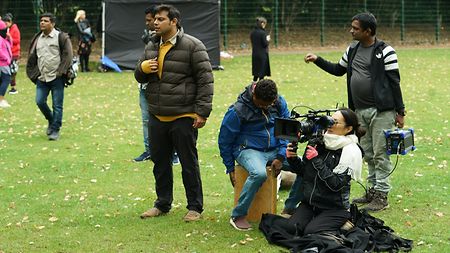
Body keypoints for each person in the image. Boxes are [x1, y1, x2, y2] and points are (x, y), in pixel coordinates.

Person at [303, 12, 406, 211]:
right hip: (359, 111)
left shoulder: (386, 51)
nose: (351, 31)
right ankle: (372, 191)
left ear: (368, 31)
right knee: (367, 152)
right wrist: (317, 59)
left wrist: (400, 112)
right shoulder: (352, 50)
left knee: (381, 153)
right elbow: (337, 70)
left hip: (382, 111)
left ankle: (382, 195)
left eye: (356, 28)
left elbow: (395, 82)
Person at [135, 4, 214, 222]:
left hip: (183, 116)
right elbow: (138, 75)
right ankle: (162, 204)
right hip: (157, 115)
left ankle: (195, 207)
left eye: (160, 19)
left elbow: (205, 81)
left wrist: (202, 112)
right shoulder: (151, 45)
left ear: (174, 22)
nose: (155, 23)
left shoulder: (193, 46)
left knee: (188, 164)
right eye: (155, 20)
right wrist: (142, 68)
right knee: (160, 163)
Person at [270, 108, 365, 237]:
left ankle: (345, 222)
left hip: (334, 208)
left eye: (335, 122)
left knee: (312, 233)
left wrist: (317, 160)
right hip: (311, 203)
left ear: (348, 129)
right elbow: (304, 172)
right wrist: (292, 159)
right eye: (330, 120)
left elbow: (336, 184)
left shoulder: (351, 152)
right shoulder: (318, 141)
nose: (329, 125)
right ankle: (316, 219)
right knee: (292, 229)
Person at [218, 79, 290, 231]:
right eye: (262, 104)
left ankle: (289, 209)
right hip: (248, 149)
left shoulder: (278, 101)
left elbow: (286, 130)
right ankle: (238, 215)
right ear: (254, 96)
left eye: (269, 104)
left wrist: (281, 156)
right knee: (258, 173)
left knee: (306, 165)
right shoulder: (237, 110)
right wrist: (230, 167)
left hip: (275, 149)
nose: (266, 107)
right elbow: (225, 140)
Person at [133, 6, 180, 165]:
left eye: (154, 20)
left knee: (169, 122)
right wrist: (142, 68)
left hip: (165, 91)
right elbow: (140, 66)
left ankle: (173, 153)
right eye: (149, 21)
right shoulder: (149, 38)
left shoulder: (171, 40)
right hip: (146, 87)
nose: (150, 24)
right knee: (147, 121)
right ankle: (150, 151)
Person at [26, 13, 73, 140]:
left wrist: (61, 72)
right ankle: (51, 120)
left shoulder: (61, 37)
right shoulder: (37, 38)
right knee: (39, 101)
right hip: (42, 78)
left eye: (45, 21)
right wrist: (33, 74)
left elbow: (68, 55)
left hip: (57, 77)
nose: (42, 23)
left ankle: (55, 130)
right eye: (41, 20)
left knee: (57, 105)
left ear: (52, 24)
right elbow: (32, 57)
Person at [2, 13, 20, 95]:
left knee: (12, 71)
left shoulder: (14, 29)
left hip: (14, 54)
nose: (5, 25)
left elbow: (17, 41)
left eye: (6, 23)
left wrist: (9, 38)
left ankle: (13, 87)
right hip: (6, 55)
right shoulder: (4, 30)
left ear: (10, 22)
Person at [250, 17, 271, 82]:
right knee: (262, 72)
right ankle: (260, 86)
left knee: (256, 72)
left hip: (255, 54)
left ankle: (253, 84)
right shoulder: (262, 33)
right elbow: (265, 44)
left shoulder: (253, 32)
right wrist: (267, 40)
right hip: (262, 54)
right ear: (262, 24)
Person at [0, 20, 12, 108]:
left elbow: (9, 46)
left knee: (2, 80)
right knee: (6, 80)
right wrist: (6, 58)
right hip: (3, 63)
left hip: (5, 63)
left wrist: (9, 38)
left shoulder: (3, 39)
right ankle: (1, 100)